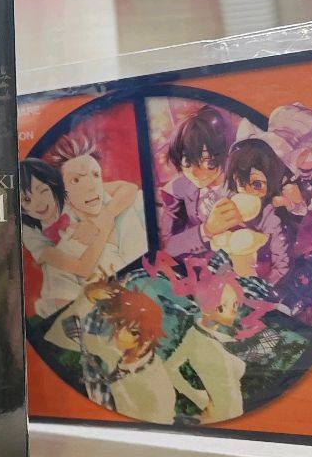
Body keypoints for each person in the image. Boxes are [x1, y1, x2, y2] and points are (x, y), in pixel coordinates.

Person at [19, 157, 137, 318]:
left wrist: (103, 217)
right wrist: (102, 229)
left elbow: (129, 188)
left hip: (100, 263)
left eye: (43, 191)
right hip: (68, 279)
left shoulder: (68, 194)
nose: (38, 204)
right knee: (55, 273)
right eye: (26, 200)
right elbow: (82, 268)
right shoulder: (30, 233)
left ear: (53, 185)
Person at [79, 280, 177, 424]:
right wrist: (93, 295)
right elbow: (82, 336)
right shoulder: (116, 353)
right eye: (119, 324)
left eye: (133, 332)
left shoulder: (155, 386)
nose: (119, 334)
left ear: (148, 338)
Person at [163, 270, 251, 424]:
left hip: (236, 415)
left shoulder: (216, 336)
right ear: (205, 309)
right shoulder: (195, 338)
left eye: (235, 305)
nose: (233, 311)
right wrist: (197, 397)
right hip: (219, 416)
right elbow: (169, 368)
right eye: (222, 307)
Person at [158, 105, 240, 259]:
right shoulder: (176, 190)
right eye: (187, 162)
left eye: (208, 163)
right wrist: (206, 230)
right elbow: (164, 247)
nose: (195, 173)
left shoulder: (243, 181)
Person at [223, 137, 292, 284]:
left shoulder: (271, 218)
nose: (248, 191)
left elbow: (281, 265)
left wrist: (261, 287)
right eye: (241, 183)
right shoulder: (229, 200)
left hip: (255, 277)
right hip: (226, 267)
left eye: (257, 185)